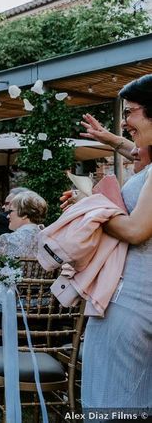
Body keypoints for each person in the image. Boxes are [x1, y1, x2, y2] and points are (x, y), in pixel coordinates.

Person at [80, 75, 152, 414]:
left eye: (131, 112)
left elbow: (137, 229)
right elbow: (136, 152)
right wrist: (112, 139)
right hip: (133, 298)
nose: (125, 122)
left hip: (134, 303)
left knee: (113, 402)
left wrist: (92, 207)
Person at [0, 191, 47, 259]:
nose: (7, 216)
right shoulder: (49, 238)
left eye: (11, 211)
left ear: (24, 215)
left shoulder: (6, 240)